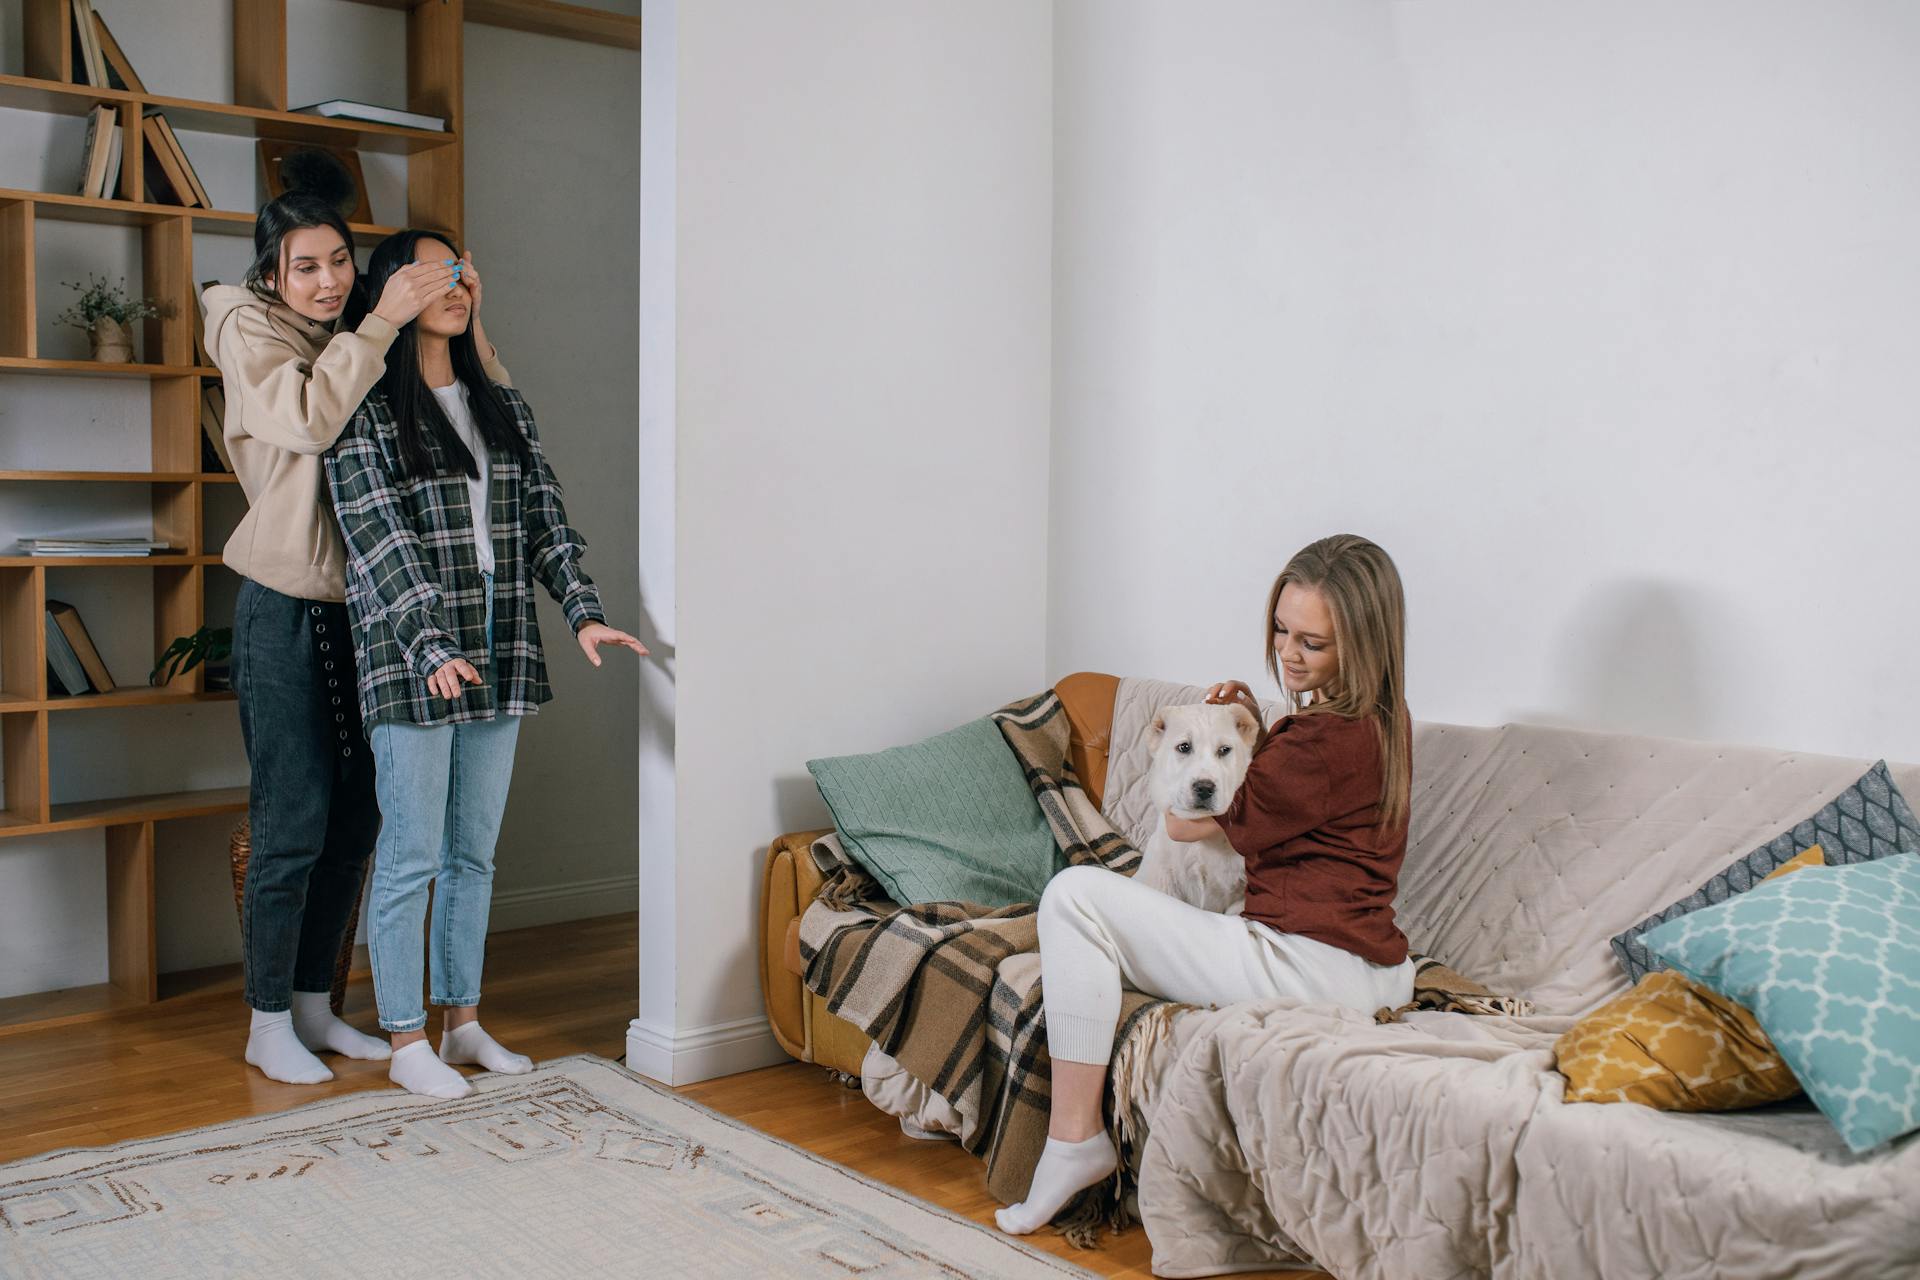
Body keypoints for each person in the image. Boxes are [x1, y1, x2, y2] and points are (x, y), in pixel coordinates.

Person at [995, 533, 1419, 1235]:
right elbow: (1295, 786)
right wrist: (1250, 718)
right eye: (1281, 629)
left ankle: (1074, 1140)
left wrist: (1207, 749)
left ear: (1362, 642)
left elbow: (1191, 821)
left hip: (1304, 966)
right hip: (1376, 967)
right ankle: (1074, 1137)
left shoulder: (1321, 740)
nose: (1287, 651)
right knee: (1095, 907)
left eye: (1310, 643)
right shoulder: (1377, 718)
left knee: (1072, 896)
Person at [325, 229, 646, 1099]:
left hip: (501, 651)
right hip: (410, 655)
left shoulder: (502, 404)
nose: (456, 284)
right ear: (391, 292)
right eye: (433, 271)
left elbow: (546, 517)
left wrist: (584, 613)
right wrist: (429, 644)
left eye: (463, 268)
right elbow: (377, 542)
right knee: (411, 857)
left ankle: (461, 1024)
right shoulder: (363, 409)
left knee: (473, 856)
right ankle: (402, 1039)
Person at [205, 191, 498, 1085]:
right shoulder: (250, 332)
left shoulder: (368, 335)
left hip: (368, 612)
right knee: (290, 820)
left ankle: (312, 1006)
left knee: (355, 822)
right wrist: (376, 324)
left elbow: (483, 417)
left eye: (339, 260)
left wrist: (461, 311)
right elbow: (307, 421)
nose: (327, 279)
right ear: (271, 275)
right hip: (285, 603)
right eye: (305, 265)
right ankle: (265, 1023)